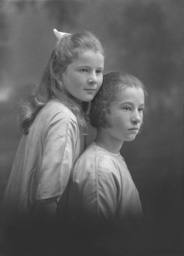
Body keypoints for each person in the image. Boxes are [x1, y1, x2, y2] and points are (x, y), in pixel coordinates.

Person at [2, 28, 105, 256]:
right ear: (59, 74)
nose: (93, 79)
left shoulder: (52, 109)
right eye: (84, 70)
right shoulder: (63, 119)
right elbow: (47, 201)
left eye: (99, 71)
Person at [68, 71, 146, 255]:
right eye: (127, 108)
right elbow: (99, 243)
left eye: (140, 109)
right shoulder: (99, 168)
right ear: (102, 110)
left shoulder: (112, 159)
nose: (137, 118)